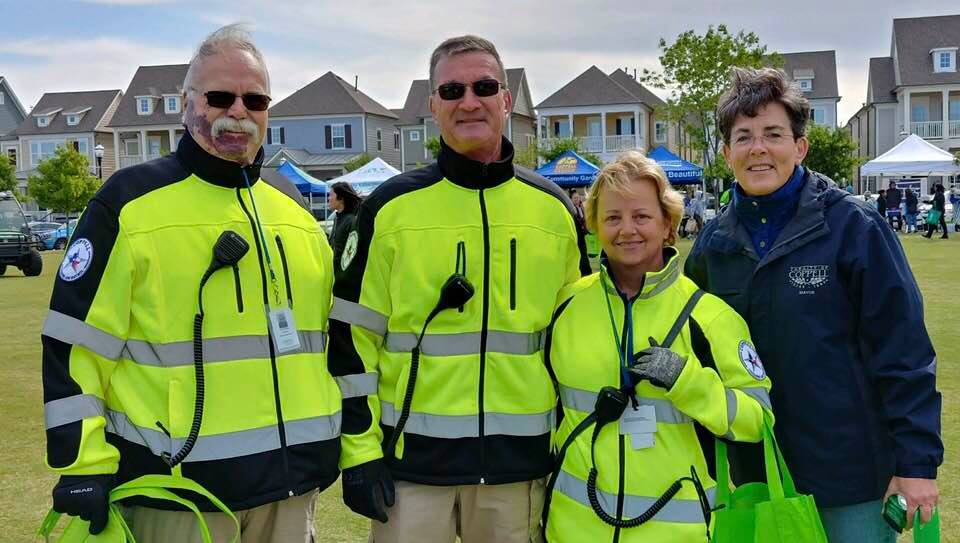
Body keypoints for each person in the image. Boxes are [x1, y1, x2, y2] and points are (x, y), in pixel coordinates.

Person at [41, 24, 343, 542]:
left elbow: (327, 344)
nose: (239, 111)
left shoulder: (294, 209)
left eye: (256, 100)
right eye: (220, 97)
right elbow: (74, 344)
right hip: (178, 494)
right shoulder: (128, 202)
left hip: (292, 490)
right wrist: (83, 462)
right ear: (186, 104)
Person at [328, 35, 587, 543]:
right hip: (411, 470)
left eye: (484, 87)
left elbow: (578, 341)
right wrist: (359, 454)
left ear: (506, 100)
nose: (469, 101)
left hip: (519, 468)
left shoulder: (555, 210)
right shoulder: (389, 208)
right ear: (433, 106)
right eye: (452, 90)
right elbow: (350, 340)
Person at [685, 67, 942, 543]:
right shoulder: (712, 246)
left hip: (850, 481)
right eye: (744, 137)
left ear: (800, 147)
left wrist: (917, 463)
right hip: (757, 476)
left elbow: (903, 352)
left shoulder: (855, 228)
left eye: (773, 134)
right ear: (726, 154)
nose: (758, 148)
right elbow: (696, 360)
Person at [542, 152, 772, 542]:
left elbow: (758, 421)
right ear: (595, 225)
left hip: (679, 532)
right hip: (574, 529)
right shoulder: (566, 306)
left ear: (668, 225)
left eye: (641, 216)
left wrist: (689, 382)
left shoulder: (710, 317)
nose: (626, 229)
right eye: (612, 218)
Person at [328, 181, 362, 266]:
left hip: (344, 271)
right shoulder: (337, 218)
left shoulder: (351, 221)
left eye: (331, 195)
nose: (329, 198)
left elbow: (352, 252)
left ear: (341, 199)